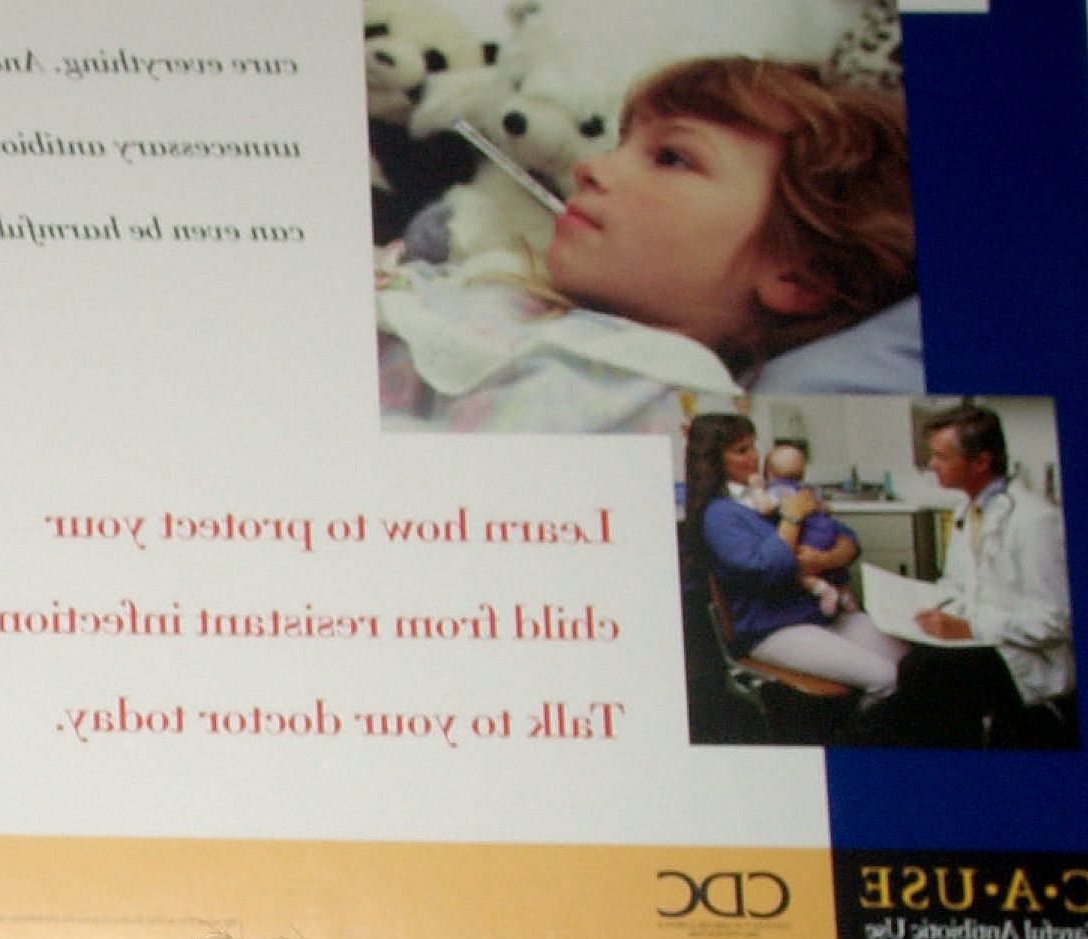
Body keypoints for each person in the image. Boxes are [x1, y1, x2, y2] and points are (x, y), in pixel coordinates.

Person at [381, 56, 913, 431]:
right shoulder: (536, 301)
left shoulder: (644, 392)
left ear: (799, 275)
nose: (590, 167)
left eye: (672, 158)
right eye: (621, 143)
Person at [688, 406, 904, 697]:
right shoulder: (720, 515)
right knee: (885, 676)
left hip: (821, 614)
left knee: (908, 663)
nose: (754, 457)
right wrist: (792, 518)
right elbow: (770, 570)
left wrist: (827, 558)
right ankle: (862, 738)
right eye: (741, 450)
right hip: (774, 628)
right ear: (715, 460)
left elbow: (844, 535)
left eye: (753, 446)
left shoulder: (773, 491)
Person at [909, 403, 1077, 749]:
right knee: (914, 660)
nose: (932, 465)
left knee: (928, 673)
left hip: (1028, 660)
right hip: (983, 643)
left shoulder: (1036, 520)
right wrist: (929, 610)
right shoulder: (968, 510)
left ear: (981, 462)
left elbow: (1056, 620)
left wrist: (971, 628)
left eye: (940, 457)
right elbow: (957, 584)